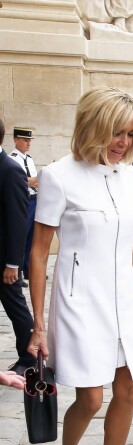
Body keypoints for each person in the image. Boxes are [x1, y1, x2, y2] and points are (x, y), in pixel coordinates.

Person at [27, 87, 133, 445]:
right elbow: (38, 250)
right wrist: (37, 324)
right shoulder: (59, 175)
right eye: (114, 132)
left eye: (129, 133)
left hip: (122, 297)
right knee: (89, 398)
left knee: (130, 389)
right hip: (78, 300)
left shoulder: (129, 176)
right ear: (91, 126)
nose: (122, 142)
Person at [0, 117, 36, 375]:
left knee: (17, 309)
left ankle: (29, 358)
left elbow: (17, 220)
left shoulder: (10, 169)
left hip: (3, 261)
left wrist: (13, 262)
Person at [10, 128, 38, 282]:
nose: (28, 143)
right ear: (15, 140)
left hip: (34, 200)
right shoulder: (12, 159)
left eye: (29, 140)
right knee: (20, 236)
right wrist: (30, 181)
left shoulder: (30, 159)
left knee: (32, 238)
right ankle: (18, 272)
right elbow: (14, 180)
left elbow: (34, 179)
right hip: (22, 200)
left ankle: (28, 269)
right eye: (25, 140)